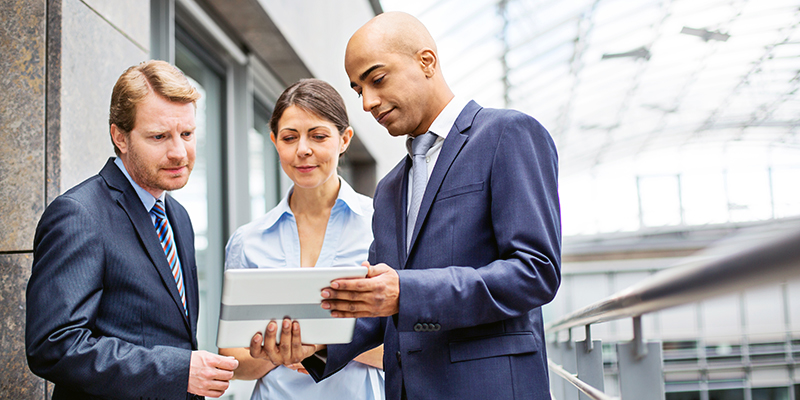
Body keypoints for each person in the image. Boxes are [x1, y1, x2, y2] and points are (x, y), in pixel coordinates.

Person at [250, 11, 562, 400]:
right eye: (357, 89)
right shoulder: (390, 187)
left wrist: (406, 293)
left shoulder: (507, 134)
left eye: (377, 80)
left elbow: (536, 272)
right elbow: (377, 302)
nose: (367, 102)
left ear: (426, 61)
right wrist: (317, 344)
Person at [26, 60, 238, 399]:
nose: (178, 152)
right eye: (159, 137)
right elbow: (53, 345)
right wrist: (177, 370)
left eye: (187, 134)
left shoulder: (177, 216)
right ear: (119, 137)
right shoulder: (79, 214)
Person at [220, 79, 385, 400]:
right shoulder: (248, 240)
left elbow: (406, 347)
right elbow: (232, 358)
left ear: (344, 139)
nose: (303, 150)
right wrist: (280, 352)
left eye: (318, 136)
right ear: (274, 141)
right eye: (289, 137)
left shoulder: (381, 224)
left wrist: (320, 346)